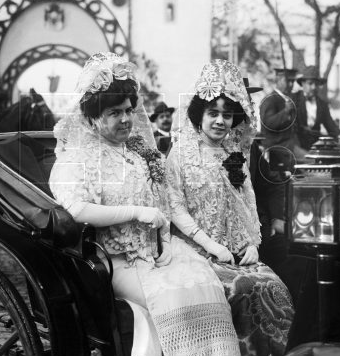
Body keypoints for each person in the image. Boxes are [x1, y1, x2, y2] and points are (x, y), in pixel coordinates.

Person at [49, 52, 240, 356]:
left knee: (207, 285)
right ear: (93, 116)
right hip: (117, 260)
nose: (126, 119)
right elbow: (77, 209)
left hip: (157, 254)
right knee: (176, 302)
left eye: (128, 110)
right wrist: (138, 212)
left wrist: (164, 239)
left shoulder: (138, 153)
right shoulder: (78, 158)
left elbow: (164, 203)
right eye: (114, 112)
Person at [165, 59, 294, 356]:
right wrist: (211, 246)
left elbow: (249, 203)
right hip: (196, 253)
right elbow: (176, 208)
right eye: (213, 113)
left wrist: (253, 242)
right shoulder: (182, 153)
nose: (220, 121)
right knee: (243, 289)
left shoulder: (234, 154)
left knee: (275, 287)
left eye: (226, 115)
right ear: (200, 114)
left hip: (235, 252)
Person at [292, 65, 340, 154]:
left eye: (316, 84)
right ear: (303, 83)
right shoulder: (294, 100)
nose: (314, 87)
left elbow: (331, 125)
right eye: (310, 83)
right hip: (297, 147)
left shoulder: (322, 104)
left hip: (315, 147)